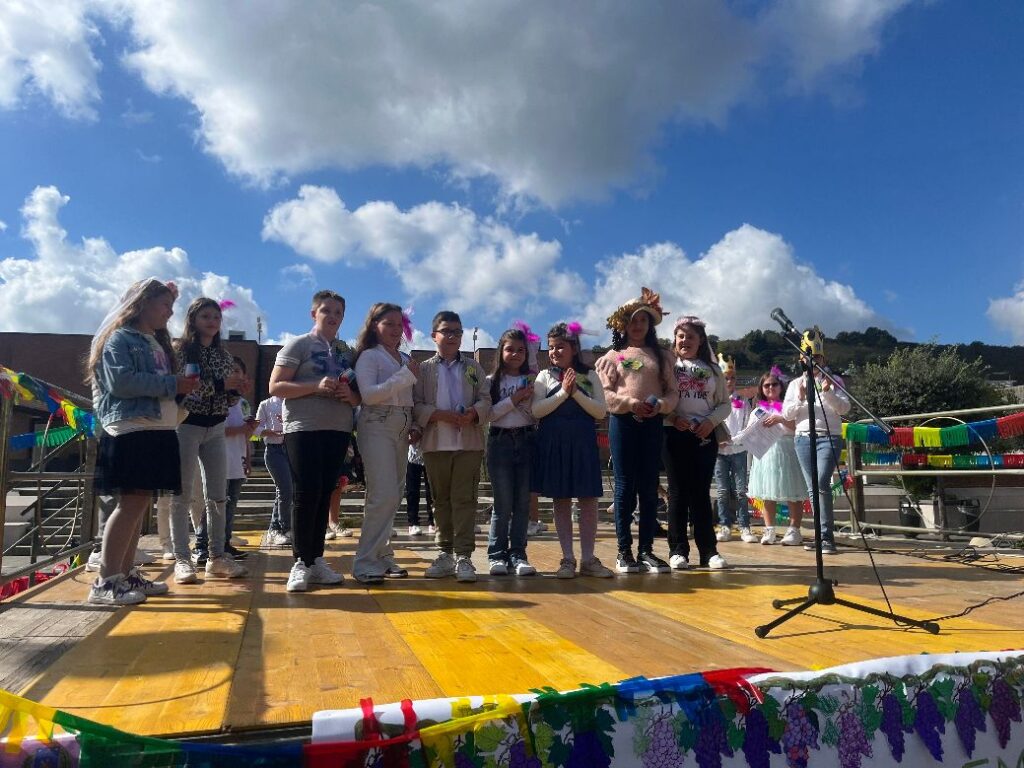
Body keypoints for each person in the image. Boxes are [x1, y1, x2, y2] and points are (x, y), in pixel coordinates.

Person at [85, 278, 198, 604]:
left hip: (156, 429)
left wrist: (178, 390)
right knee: (130, 503)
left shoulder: (153, 342)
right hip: (131, 428)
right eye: (164, 305)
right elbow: (120, 382)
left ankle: (124, 572)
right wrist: (171, 384)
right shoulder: (119, 338)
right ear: (142, 303)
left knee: (138, 504)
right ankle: (106, 581)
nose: (169, 312)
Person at [270, 289, 360, 591]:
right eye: (326, 311)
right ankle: (300, 562)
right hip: (303, 428)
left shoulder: (346, 351)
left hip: (338, 429)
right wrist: (314, 385)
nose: (332, 317)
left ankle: (317, 558)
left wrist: (352, 396)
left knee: (325, 492)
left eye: (338, 312)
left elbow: (358, 392)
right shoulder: (299, 344)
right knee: (305, 493)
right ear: (314, 314)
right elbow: (276, 386)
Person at [597, 288, 678, 574]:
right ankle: (623, 551)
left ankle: (646, 550)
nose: (638, 325)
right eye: (632, 320)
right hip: (623, 423)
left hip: (652, 424)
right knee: (624, 487)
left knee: (648, 487)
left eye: (643, 320)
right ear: (623, 324)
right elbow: (606, 395)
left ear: (650, 324)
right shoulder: (613, 356)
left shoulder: (663, 356)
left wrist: (661, 406)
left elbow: (673, 393)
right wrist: (631, 403)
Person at [170, 298, 249, 583]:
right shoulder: (180, 351)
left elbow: (227, 399)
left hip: (215, 427)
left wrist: (236, 391)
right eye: (205, 316)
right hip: (187, 425)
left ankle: (217, 557)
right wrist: (220, 386)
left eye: (216, 316)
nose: (212, 321)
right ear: (193, 319)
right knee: (180, 496)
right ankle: (183, 559)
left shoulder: (224, 356)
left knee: (218, 495)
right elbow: (182, 389)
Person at [412, 311, 491, 582]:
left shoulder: (472, 367)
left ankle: (464, 556)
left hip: (468, 443)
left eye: (457, 332)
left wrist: (472, 414)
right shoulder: (423, 369)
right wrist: (439, 415)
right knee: (441, 501)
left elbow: (485, 399)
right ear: (434, 335)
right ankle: (444, 553)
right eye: (446, 331)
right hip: (435, 444)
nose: (452, 336)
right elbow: (416, 404)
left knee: (464, 500)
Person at [531, 323, 613, 579]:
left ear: (574, 348)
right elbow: (536, 411)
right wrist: (562, 393)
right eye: (551, 347)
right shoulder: (544, 376)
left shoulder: (589, 376)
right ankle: (567, 558)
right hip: (554, 443)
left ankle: (588, 558)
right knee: (561, 499)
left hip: (582, 442)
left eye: (560, 347)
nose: (555, 351)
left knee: (588, 499)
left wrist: (575, 393)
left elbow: (600, 411)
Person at [351, 303, 419, 584]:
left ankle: (382, 554)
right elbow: (369, 395)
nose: (395, 329)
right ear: (374, 325)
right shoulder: (369, 356)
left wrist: (414, 423)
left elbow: (408, 397)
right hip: (377, 423)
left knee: (393, 495)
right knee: (384, 494)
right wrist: (406, 375)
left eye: (398, 324)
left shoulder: (403, 357)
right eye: (388, 323)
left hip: (402, 427)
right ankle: (365, 562)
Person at [663, 315, 731, 570]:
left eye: (690, 336)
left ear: (700, 340)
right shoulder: (668, 365)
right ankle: (678, 550)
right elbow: (658, 397)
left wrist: (710, 422)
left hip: (705, 433)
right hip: (673, 432)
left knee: (701, 493)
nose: (685, 341)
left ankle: (709, 551)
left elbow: (725, 404)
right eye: (681, 336)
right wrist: (671, 416)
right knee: (677, 492)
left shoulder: (713, 370)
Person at [782, 327, 850, 555]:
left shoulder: (834, 379)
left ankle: (827, 537)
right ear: (801, 358)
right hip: (802, 439)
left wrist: (829, 392)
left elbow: (845, 408)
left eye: (818, 356)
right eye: (809, 356)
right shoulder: (794, 385)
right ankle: (822, 538)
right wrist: (800, 399)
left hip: (828, 437)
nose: (814, 360)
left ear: (824, 358)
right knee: (814, 489)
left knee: (821, 484)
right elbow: (787, 415)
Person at [485, 328, 538, 577]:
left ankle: (518, 553)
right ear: (501, 351)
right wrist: (514, 400)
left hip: (527, 439)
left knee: (522, 503)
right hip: (500, 441)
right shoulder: (491, 381)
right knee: (503, 503)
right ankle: (497, 554)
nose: (515, 354)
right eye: (510, 349)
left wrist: (526, 401)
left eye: (520, 350)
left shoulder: (533, 380)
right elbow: (489, 414)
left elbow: (535, 414)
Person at [747, 371, 808, 546]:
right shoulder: (758, 409)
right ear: (762, 388)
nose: (771, 388)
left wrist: (779, 420)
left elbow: (798, 426)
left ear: (781, 386)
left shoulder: (788, 405)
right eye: (767, 385)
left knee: (793, 491)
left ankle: (794, 530)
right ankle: (769, 529)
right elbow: (751, 434)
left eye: (774, 384)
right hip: (765, 453)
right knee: (768, 492)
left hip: (787, 448)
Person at [715, 355, 757, 544]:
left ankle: (744, 526)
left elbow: (748, 424)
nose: (729, 381)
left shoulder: (741, 400)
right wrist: (718, 441)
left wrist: (736, 439)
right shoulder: (714, 399)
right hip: (720, 452)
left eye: (732, 378)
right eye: (725, 377)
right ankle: (725, 525)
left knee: (741, 491)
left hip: (738, 450)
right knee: (723, 491)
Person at [255, 394, 292, 547]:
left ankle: (274, 529)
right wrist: (269, 432)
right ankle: (284, 529)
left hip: (291, 450)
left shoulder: (294, 402)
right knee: (285, 489)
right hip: (274, 450)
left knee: (285, 490)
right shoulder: (266, 404)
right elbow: (256, 428)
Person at [405, 440, 434, 535]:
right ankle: (413, 523)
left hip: (431, 449)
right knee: (412, 490)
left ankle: (433, 521)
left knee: (432, 489)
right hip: (413, 452)